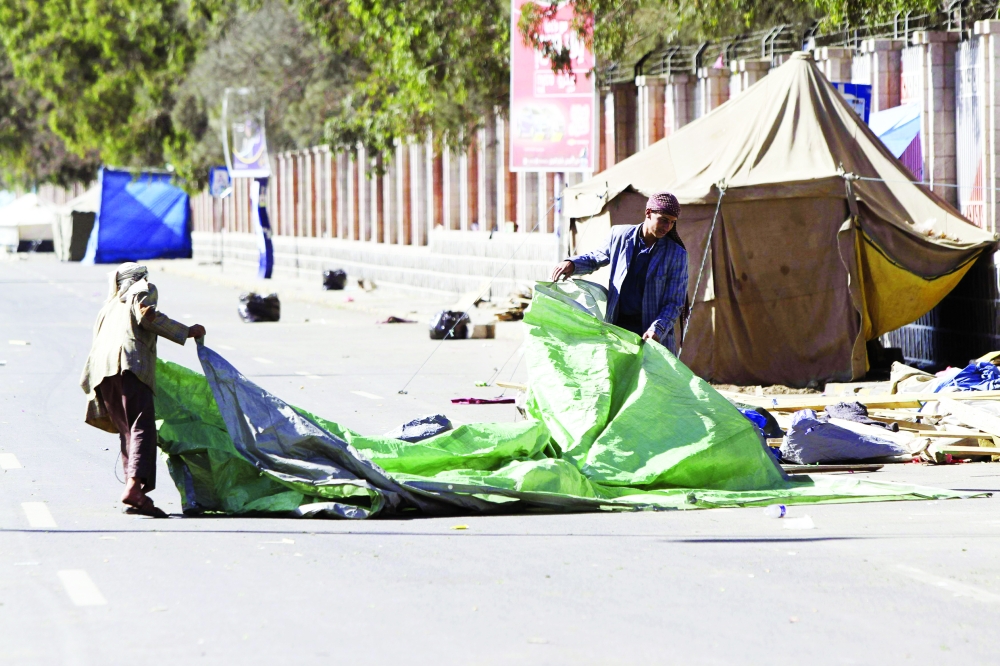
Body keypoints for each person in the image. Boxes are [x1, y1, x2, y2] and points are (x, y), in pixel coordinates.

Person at [80, 263, 206, 517]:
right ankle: (135, 488)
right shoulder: (141, 289)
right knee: (142, 427)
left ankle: (132, 488)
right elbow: (146, 314)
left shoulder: (108, 307)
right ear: (137, 279)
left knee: (128, 431)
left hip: (102, 373)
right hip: (129, 366)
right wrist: (187, 331)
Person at [551, 192, 689, 354]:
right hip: (617, 332)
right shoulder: (620, 236)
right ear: (648, 213)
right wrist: (572, 264)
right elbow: (595, 258)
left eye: (672, 222)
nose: (667, 227)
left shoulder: (676, 254)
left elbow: (674, 303)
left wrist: (657, 330)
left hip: (653, 339)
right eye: (663, 220)